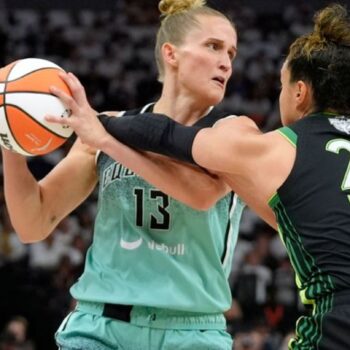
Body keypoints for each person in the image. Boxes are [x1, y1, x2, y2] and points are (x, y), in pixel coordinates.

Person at [47, 3, 350, 349]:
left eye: (280, 86)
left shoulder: (277, 147)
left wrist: (101, 127)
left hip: (332, 323)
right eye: (215, 47)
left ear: (299, 92)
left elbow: (167, 137)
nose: (226, 62)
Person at [2, 0, 245, 349]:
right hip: (100, 326)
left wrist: (106, 139)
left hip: (190, 332)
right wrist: (9, 135)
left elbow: (202, 194)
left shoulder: (233, 132)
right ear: (171, 54)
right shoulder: (106, 127)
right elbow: (33, 222)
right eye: (214, 46)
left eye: (232, 54)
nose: (226, 62)